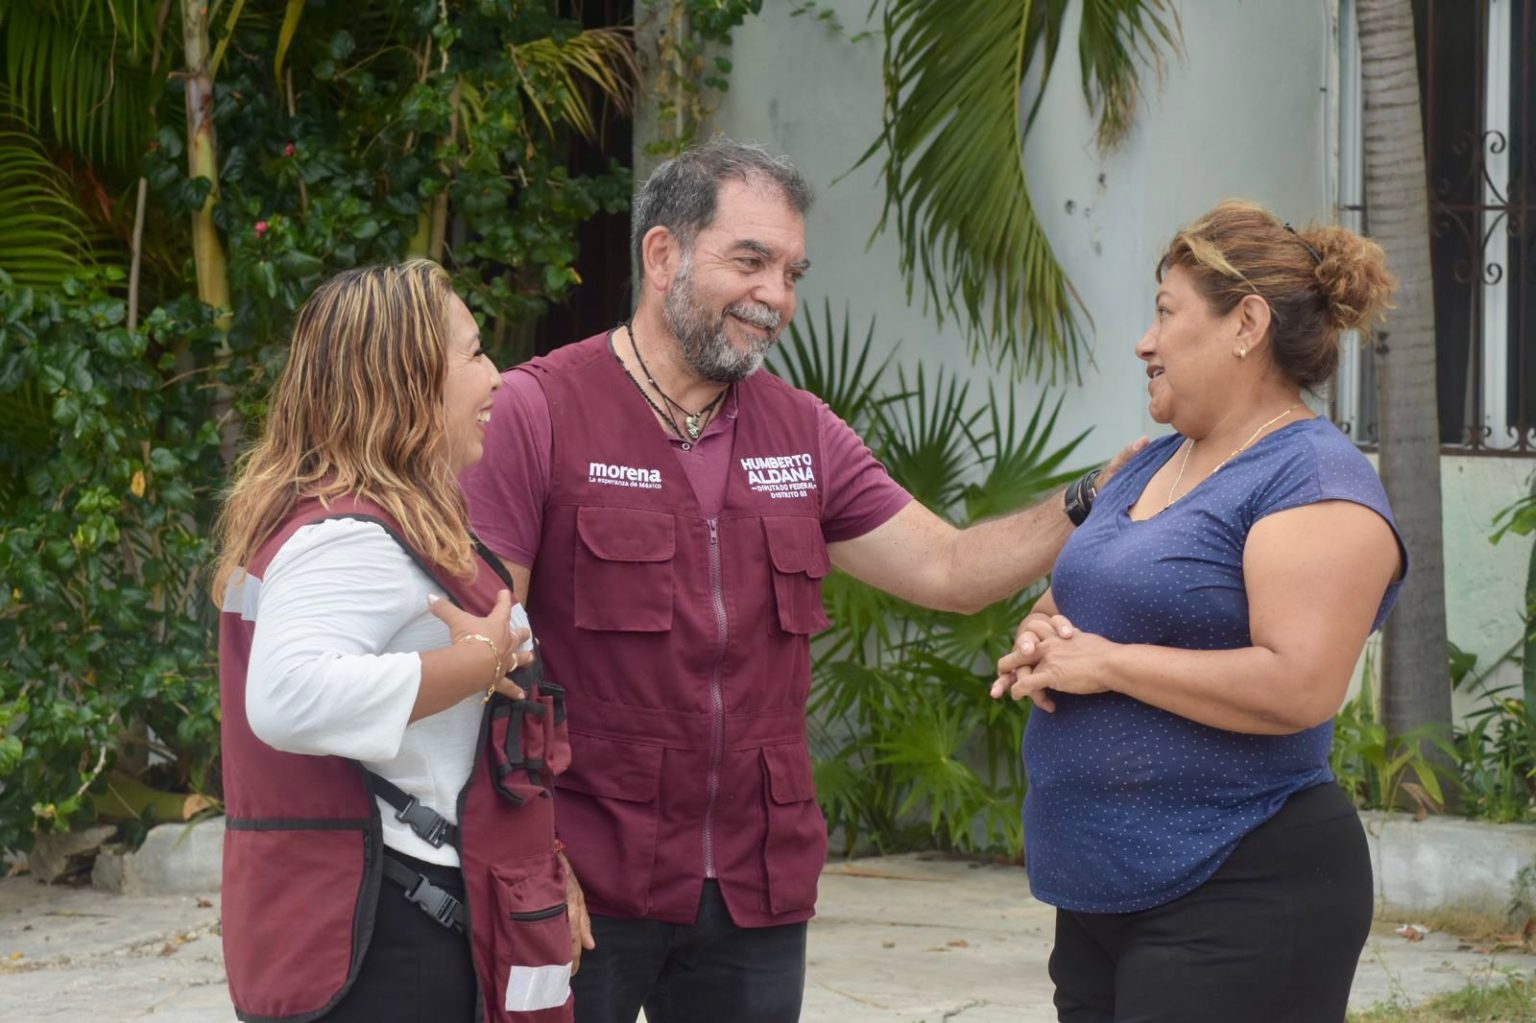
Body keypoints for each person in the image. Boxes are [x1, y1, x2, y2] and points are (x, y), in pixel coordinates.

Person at [460, 137, 1136, 1023]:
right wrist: (527, 848)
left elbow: (950, 569)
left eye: (792, 272)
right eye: (752, 261)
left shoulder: (803, 430)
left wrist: (1098, 493)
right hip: (588, 872)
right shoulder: (537, 408)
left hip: (756, 883)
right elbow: (478, 650)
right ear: (663, 255)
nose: (777, 297)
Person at [991, 201, 1405, 1023]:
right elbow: (1074, 598)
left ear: (1246, 322)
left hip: (1241, 889)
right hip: (1104, 899)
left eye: (1165, 313)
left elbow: (1299, 684)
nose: (1144, 342)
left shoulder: (1313, 479)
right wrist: (1040, 634)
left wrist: (1101, 662)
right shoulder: (1150, 465)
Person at [213, 261, 585, 1022]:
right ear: (408, 379)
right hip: (398, 940)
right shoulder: (349, 536)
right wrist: (479, 661)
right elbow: (286, 698)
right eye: (475, 353)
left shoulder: (370, 518)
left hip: (399, 920)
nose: (497, 380)